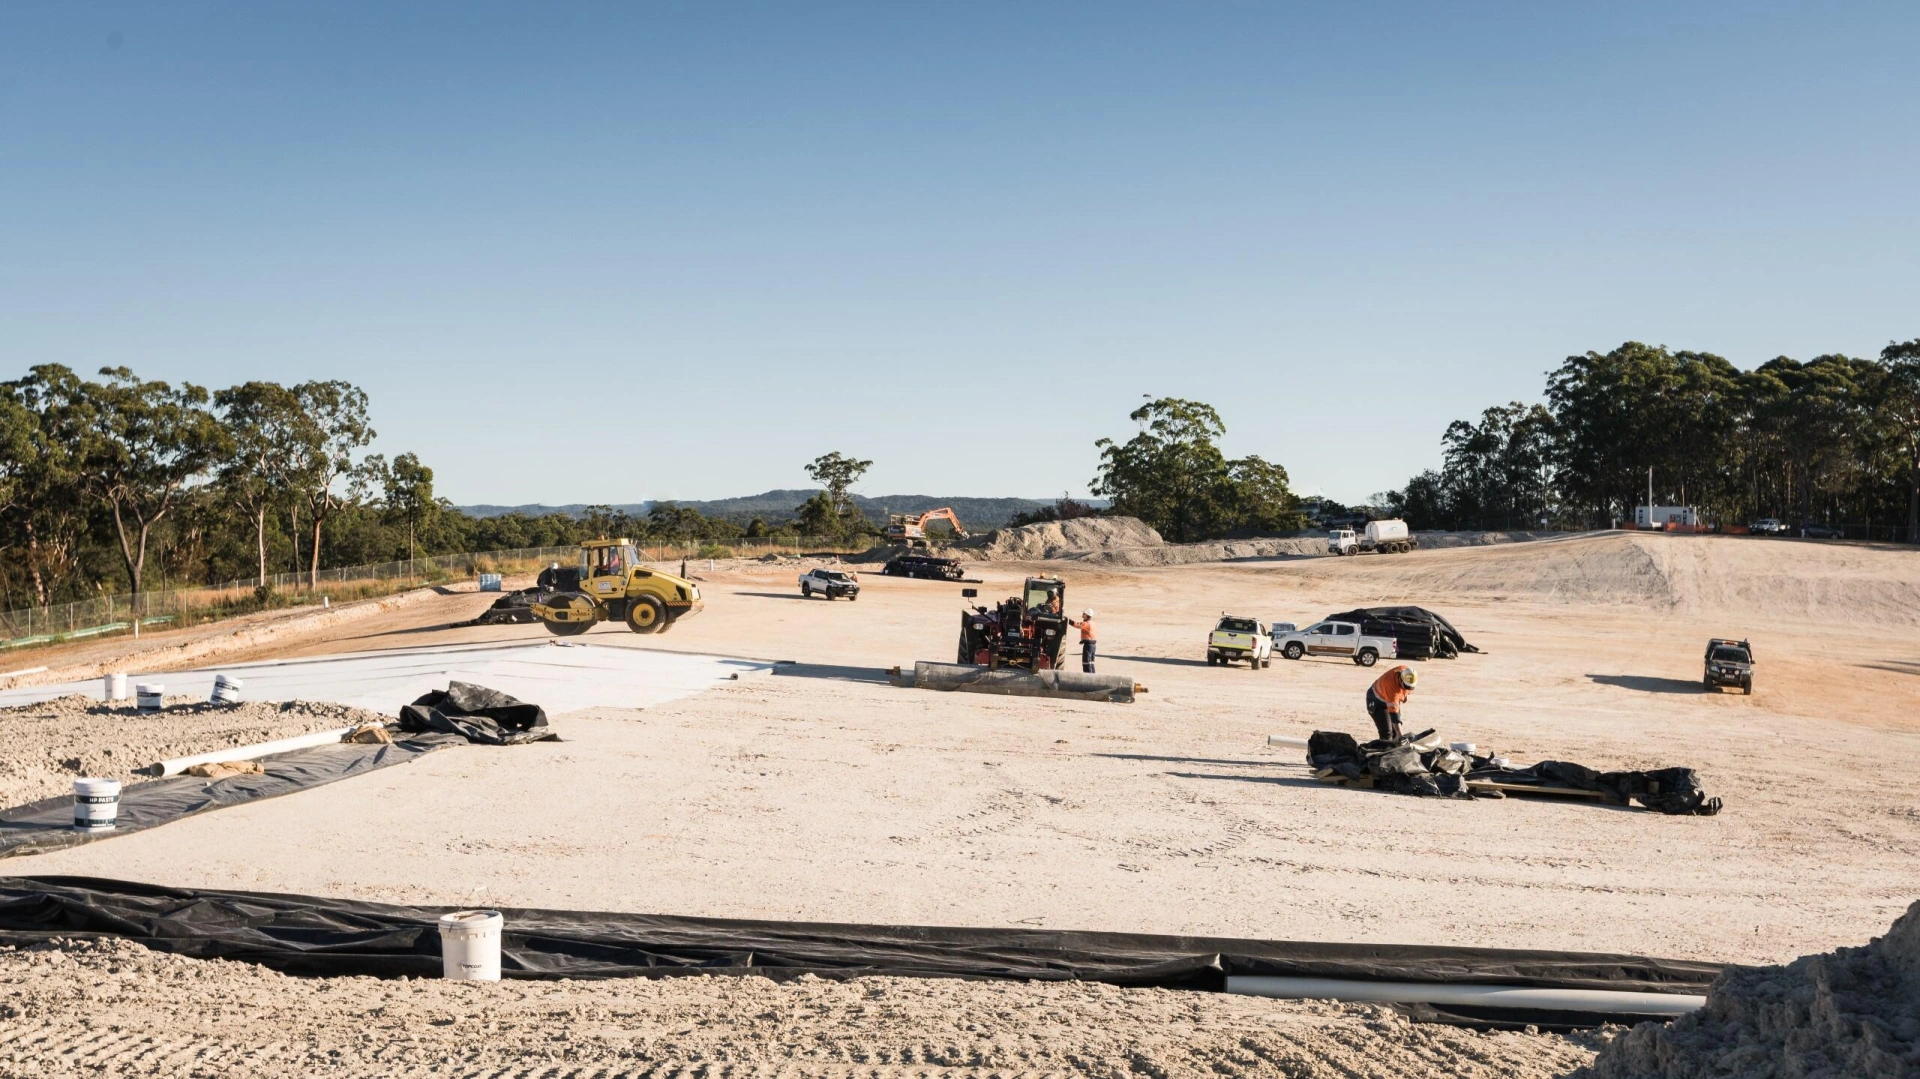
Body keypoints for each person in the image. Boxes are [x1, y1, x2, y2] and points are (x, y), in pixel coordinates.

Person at [1365, 665, 1417, 740]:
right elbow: (1394, 715)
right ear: (1401, 680)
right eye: (1406, 687)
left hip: (1389, 698)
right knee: (1387, 734)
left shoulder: (1408, 673)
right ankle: (1385, 750)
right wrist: (1400, 736)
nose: (1407, 689)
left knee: (1395, 733)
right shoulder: (1391, 686)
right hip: (1376, 700)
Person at [1065, 609, 1097, 673]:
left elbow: (1077, 625)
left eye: (1084, 614)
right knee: (1091, 663)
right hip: (1093, 645)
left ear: (1087, 615)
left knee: (1086, 663)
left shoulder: (1086, 624)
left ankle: (1088, 678)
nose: (1082, 614)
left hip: (1088, 646)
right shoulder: (1093, 623)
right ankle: (1093, 677)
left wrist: (1068, 621)